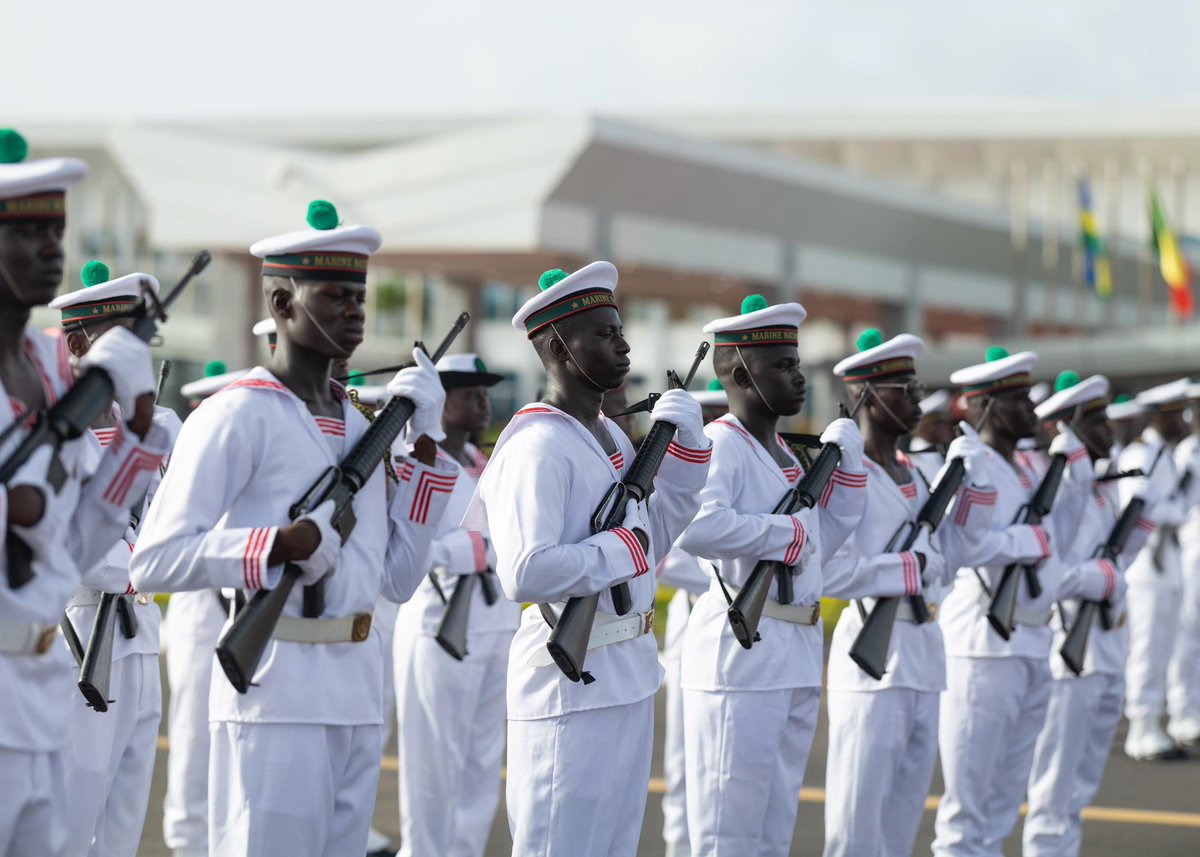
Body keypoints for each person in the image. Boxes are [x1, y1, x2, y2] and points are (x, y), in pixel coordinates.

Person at [130, 199, 456, 856]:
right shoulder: (235, 415)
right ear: (281, 304)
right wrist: (274, 546)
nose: (355, 312)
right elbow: (153, 561)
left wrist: (426, 448)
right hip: (276, 686)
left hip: (358, 690)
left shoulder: (365, 428)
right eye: (335, 295)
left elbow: (397, 577)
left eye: (360, 297)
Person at [467, 263, 709, 857]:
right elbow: (524, 571)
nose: (622, 344)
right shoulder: (536, 446)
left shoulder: (612, 436)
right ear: (555, 347)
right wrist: (616, 550)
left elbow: (651, 543)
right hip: (564, 683)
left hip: (625, 669)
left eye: (618, 329)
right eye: (603, 333)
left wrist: (686, 458)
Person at [0, 128, 169, 857]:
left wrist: (138, 438)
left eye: (55, 231)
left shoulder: (47, 376)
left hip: (57, 667)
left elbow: (78, 539)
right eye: (27, 231)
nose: (49, 248)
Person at [676, 295, 867, 856]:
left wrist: (848, 479)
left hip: (793, 648)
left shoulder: (784, 452)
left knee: (772, 830)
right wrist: (783, 534)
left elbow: (818, 548)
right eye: (782, 366)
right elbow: (699, 527)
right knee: (727, 832)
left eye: (797, 363)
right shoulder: (721, 445)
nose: (798, 377)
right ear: (739, 373)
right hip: (741, 652)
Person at [822, 330, 995, 857]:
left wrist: (977, 489)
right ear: (869, 397)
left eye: (916, 387)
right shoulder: (849, 473)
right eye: (905, 388)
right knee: (857, 826)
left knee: (900, 825)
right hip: (872, 659)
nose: (918, 400)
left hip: (924, 654)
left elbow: (954, 557)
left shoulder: (918, 475)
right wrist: (900, 570)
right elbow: (825, 573)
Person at [49, 261, 183, 857]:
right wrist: (148, 555)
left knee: (125, 820)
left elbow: (184, 521)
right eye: (117, 337)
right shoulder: (56, 434)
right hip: (80, 637)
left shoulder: (163, 429)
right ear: (77, 346)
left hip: (140, 632)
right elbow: (80, 549)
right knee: (72, 819)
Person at [932, 347, 1063, 857]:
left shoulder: (1028, 468)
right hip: (984, 644)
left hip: (1031, 638)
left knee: (1007, 796)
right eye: (1017, 400)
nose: (1031, 408)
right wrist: (1019, 542)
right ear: (983, 407)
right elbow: (954, 543)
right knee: (969, 804)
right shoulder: (969, 464)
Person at [1023, 372, 1155, 856]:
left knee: (1082, 782)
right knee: (1055, 784)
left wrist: (1139, 529)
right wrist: (1094, 578)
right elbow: (1046, 567)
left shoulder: (1102, 485)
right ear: (1072, 429)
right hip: (1070, 648)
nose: (1110, 430)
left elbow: (1111, 563)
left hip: (1105, 643)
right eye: (1097, 421)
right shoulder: (1059, 489)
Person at [393, 352, 519, 857]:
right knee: (433, 765)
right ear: (441, 403)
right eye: (470, 394)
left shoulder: (488, 463)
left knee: (481, 762)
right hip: (440, 622)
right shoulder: (415, 461)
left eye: (485, 394)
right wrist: (471, 550)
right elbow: (402, 543)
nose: (483, 403)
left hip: (495, 623)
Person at [160, 332, 272, 857]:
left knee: (234, 748)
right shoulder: (184, 462)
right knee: (192, 742)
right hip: (199, 617)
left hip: (242, 614)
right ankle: (186, 845)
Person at [658, 379, 728, 857]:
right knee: (684, 760)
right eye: (709, 413)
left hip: (727, 613)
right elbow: (669, 555)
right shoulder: (680, 467)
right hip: (696, 614)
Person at [1119, 378, 1192, 760]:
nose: (1184, 420)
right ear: (1160, 418)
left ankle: (1155, 724)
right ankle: (1140, 728)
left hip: (1168, 565)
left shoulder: (1162, 453)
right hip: (1147, 565)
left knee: (1164, 646)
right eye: (1177, 413)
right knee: (1146, 648)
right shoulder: (1141, 454)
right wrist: (1175, 511)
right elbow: (1135, 505)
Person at [1167, 381, 1200, 747]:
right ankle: (1182, 711)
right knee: (1188, 634)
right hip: (1193, 546)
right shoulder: (1189, 451)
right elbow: (1175, 500)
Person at [909, 388, 955, 485]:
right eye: (936, 423)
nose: (944, 428)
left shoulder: (940, 455)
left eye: (945, 423)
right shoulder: (914, 461)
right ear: (919, 427)